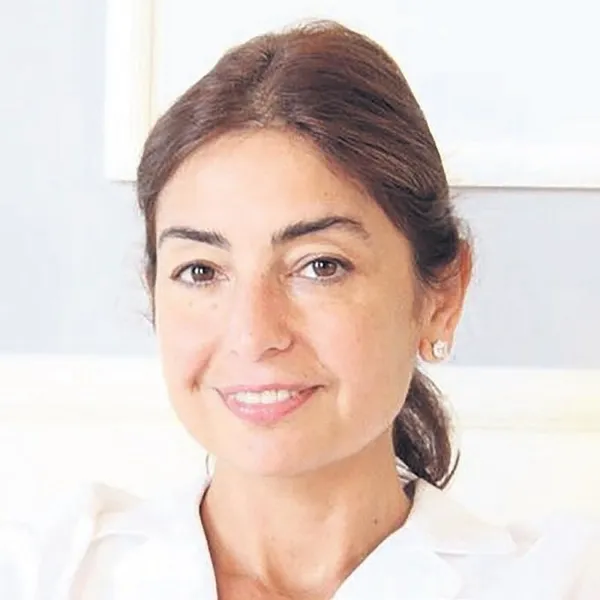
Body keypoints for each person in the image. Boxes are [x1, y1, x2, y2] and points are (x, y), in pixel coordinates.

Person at [1, 19, 598, 600]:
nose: (253, 333)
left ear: (441, 295)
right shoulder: (45, 574)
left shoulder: (562, 581)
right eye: (201, 271)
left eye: (320, 266)